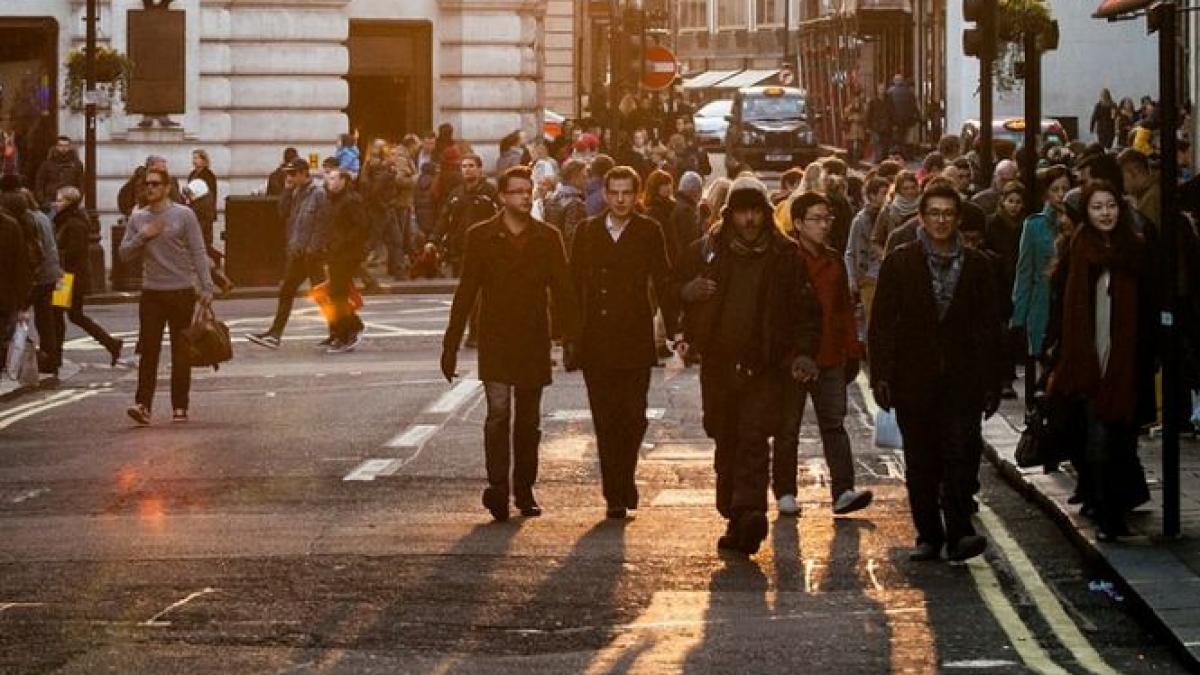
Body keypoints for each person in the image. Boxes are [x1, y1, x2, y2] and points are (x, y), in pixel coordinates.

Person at [676, 175, 820, 555]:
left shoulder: (785, 256)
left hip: (765, 366)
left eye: (756, 211)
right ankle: (733, 512)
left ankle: (750, 510)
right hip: (719, 364)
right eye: (742, 212)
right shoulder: (707, 250)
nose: (750, 220)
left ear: (766, 214)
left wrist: (803, 352)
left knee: (754, 440)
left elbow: (806, 312)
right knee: (725, 437)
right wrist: (686, 295)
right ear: (730, 214)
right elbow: (674, 289)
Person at [869, 183, 1003, 562]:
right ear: (922, 219)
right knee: (922, 459)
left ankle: (960, 531)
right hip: (914, 379)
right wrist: (882, 374)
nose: (941, 220)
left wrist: (993, 380)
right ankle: (928, 534)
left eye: (948, 214)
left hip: (963, 380)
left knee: (962, 454)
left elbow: (990, 326)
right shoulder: (900, 261)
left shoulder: (978, 265)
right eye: (935, 214)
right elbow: (882, 323)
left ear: (958, 219)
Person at [441, 165, 580, 521]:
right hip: (496, 337)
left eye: (526, 190)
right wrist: (451, 343)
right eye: (515, 191)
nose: (522, 196)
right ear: (502, 197)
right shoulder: (482, 236)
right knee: (498, 414)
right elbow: (466, 291)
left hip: (533, 337)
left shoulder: (547, 237)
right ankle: (498, 487)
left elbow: (563, 291)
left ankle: (525, 489)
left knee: (529, 421)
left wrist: (571, 339)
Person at [1044, 180, 1156, 540]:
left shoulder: (1135, 250)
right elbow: (1062, 307)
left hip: (1127, 361)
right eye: (1097, 207)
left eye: (1111, 205)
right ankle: (1107, 516)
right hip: (1088, 362)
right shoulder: (1078, 250)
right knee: (1098, 440)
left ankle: (1114, 511)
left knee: (1123, 440)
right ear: (1086, 214)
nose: (1105, 213)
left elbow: (1151, 306)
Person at [569, 166, 677, 519]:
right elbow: (572, 286)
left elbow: (662, 279)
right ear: (604, 194)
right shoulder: (587, 231)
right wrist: (568, 335)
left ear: (637, 195)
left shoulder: (649, 230)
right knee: (605, 418)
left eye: (626, 193)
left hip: (634, 335)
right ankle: (615, 491)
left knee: (633, 416)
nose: (619, 199)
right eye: (613, 192)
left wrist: (675, 329)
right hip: (596, 340)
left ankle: (625, 476)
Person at [774, 192, 873, 517]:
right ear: (799, 223)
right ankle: (786, 491)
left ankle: (843, 490)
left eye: (826, 219)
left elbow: (844, 309)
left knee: (834, 424)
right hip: (794, 361)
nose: (823, 225)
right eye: (815, 219)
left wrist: (852, 350)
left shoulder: (832, 262)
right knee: (787, 428)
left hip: (830, 357)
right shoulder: (786, 259)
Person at [119, 166, 215, 425]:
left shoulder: (184, 215)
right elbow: (124, 254)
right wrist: (143, 235)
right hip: (152, 293)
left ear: (167, 187)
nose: (149, 188)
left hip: (182, 291)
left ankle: (180, 406)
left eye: (155, 184)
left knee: (180, 352)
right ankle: (143, 405)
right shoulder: (138, 218)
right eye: (146, 184)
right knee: (149, 351)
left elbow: (198, 251)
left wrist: (206, 287)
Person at [246, 158, 329, 349]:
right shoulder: (295, 192)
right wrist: (287, 190)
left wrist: (313, 248)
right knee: (289, 291)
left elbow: (322, 224)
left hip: (311, 254)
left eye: (292, 174)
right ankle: (275, 334)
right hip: (298, 252)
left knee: (321, 294)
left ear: (303, 173)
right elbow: (282, 212)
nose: (289, 177)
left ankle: (341, 330)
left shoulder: (318, 193)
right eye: (287, 174)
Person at [52, 186, 121, 367]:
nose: (56, 204)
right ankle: (111, 344)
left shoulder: (73, 223)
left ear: (68, 202)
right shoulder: (68, 220)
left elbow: (72, 252)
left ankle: (56, 356)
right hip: (70, 275)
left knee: (60, 316)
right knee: (72, 316)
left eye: (59, 200)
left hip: (68, 277)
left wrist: (58, 258)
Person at [1012, 165, 1072, 364]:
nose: (1061, 195)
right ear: (1046, 193)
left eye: (1065, 189)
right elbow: (1024, 273)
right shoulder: (1034, 225)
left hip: (1070, 299)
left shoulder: (1080, 224)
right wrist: (1019, 319)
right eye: (1055, 189)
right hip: (1042, 301)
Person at [1, 189, 59, 375]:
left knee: (20, 320)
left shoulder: (22, 222)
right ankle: (50, 358)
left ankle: (18, 361)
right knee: (47, 319)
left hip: (37, 276)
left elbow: (26, 256)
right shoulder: (41, 217)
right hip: (50, 274)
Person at [984, 180, 1026, 397]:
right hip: (998, 284)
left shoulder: (1025, 226)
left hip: (1018, 283)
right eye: (1010, 201)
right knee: (1001, 333)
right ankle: (1002, 378)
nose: (1014, 206)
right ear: (1002, 201)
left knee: (1012, 333)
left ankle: (1006, 377)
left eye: (1018, 202)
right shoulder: (992, 224)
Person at [322, 169, 369, 352]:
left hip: (347, 254)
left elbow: (361, 226)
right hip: (336, 253)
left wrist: (342, 243)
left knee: (338, 295)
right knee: (336, 294)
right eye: (328, 179)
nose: (329, 182)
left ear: (343, 180)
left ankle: (347, 332)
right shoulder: (334, 200)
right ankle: (348, 328)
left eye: (333, 178)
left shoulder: (351, 200)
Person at [433, 153, 499, 277]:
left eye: (471, 166)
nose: (467, 169)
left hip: (484, 249)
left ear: (479, 169)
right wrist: (433, 240)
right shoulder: (456, 194)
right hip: (459, 250)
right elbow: (444, 219)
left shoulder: (490, 192)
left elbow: (501, 217)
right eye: (464, 166)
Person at [845, 176, 890, 329]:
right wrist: (852, 279)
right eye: (883, 193)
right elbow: (850, 251)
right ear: (872, 195)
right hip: (868, 276)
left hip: (886, 275)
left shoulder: (891, 216)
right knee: (871, 322)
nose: (887, 197)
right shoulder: (861, 220)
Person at [541, 159, 588, 251]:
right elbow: (572, 237)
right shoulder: (575, 203)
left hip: (552, 250)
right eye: (584, 177)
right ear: (575, 177)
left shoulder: (552, 198)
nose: (586, 180)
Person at [872, 170, 920, 251]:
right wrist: (886, 257)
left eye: (913, 187)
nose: (910, 191)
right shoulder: (888, 210)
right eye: (905, 188)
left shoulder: (923, 207)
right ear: (899, 190)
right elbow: (876, 240)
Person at [33, 136, 83, 210]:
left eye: (66, 146)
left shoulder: (77, 165)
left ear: (70, 147)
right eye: (61, 145)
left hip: (70, 203)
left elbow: (81, 184)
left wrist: (77, 200)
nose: (63, 148)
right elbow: (39, 184)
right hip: (50, 203)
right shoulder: (46, 165)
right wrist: (43, 202)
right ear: (56, 147)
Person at [1117, 148, 1161, 233]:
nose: (1121, 183)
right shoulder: (1151, 191)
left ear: (1134, 172)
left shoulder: (1150, 198)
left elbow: (1145, 237)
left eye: (1122, 177)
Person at [670, 171, 705, 261]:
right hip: (685, 264)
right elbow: (692, 242)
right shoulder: (687, 211)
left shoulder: (675, 204)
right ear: (695, 191)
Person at [866, 84, 892, 163]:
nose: (882, 91)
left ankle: (884, 160)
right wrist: (868, 126)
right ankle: (878, 160)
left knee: (886, 144)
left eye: (883, 89)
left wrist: (894, 124)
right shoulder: (873, 101)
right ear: (877, 90)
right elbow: (868, 114)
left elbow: (893, 112)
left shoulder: (889, 101)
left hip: (887, 126)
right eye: (880, 89)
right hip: (876, 126)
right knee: (877, 144)